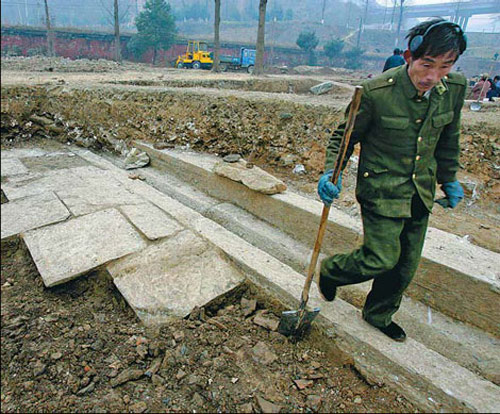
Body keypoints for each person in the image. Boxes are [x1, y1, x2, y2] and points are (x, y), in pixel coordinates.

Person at [315, 18, 467, 342]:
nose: (432, 76)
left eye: (444, 67)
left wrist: (449, 178)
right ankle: (333, 271)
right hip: (380, 188)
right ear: (411, 56)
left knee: (404, 266)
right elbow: (343, 138)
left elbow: (448, 138)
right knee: (382, 256)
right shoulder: (376, 92)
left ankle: (378, 314)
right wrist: (332, 172)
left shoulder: (453, 89)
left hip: (419, 190)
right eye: (427, 64)